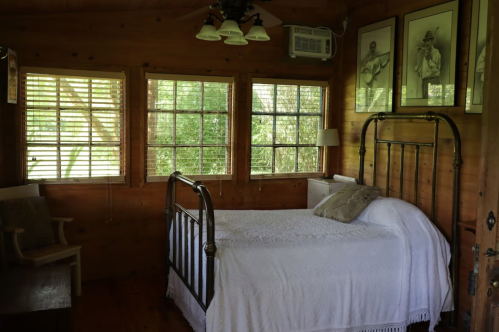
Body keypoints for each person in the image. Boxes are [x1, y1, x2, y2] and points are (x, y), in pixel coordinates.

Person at [360, 41, 390, 108]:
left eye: (373, 47)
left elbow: (381, 66)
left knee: (372, 100)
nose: (372, 49)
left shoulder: (377, 59)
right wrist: (365, 68)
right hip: (367, 82)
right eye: (371, 48)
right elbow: (361, 70)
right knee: (366, 101)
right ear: (369, 49)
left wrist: (387, 60)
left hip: (373, 81)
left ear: (375, 48)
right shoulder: (366, 60)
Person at [414, 31, 441, 99]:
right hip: (425, 83)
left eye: (429, 41)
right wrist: (418, 70)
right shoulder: (425, 56)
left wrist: (428, 58)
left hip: (433, 81)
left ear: (432, 41)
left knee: (434, 105)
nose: (427, 43)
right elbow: (423, 73)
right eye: (426, 41)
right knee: (425, 104)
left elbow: (434, 68)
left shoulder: (436, 52)